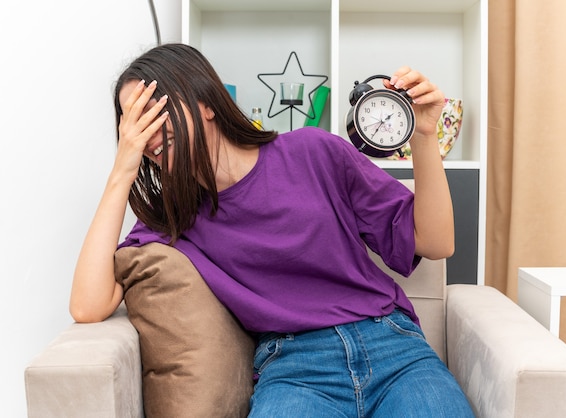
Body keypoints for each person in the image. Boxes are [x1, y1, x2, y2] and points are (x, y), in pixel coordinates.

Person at [70, 43, 474, 417]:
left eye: (155, 110)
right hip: (295, 369)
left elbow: (436, 242)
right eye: (134, 123)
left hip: (391, 346)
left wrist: (424, 135)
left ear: (207, 102)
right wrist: (124, 166)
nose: (148, 132)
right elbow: (88, 306)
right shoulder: (173, 217)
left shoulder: (314, 151)